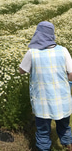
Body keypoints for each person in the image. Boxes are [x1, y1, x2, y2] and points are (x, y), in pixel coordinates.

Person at [19, 21, 72, 151]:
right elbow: (71, 74)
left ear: (37, 34)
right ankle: (68, 146)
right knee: (65, 128)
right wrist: (67, 84)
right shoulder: (63, 50)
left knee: (43, 131)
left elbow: (22, 70)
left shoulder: (32, 53)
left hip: (42, 101)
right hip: (62, 99)